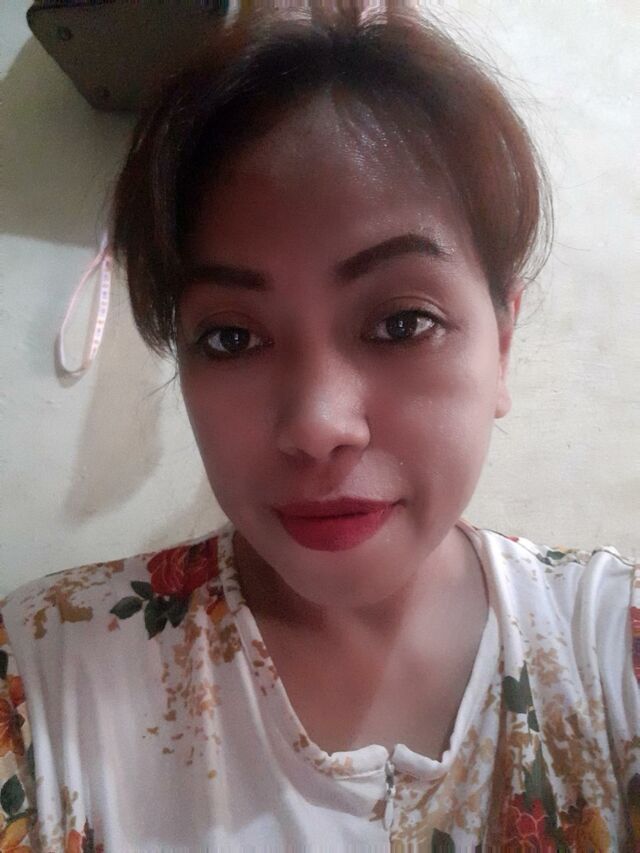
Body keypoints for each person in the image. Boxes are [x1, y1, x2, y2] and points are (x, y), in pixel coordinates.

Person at [0, 4, 637, 850]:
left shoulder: (612, 647)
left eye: (402, 322)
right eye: (232, 338)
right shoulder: (44, 678)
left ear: (502, 344)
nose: (317, 426)